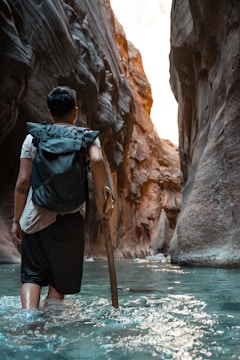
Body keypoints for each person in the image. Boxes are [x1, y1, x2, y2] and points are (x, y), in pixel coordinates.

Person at [11, 86, 111, 309]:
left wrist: (16, 220)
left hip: (35, 216)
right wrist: (102, 200)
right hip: (71, 218)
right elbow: (96, 161)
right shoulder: (87, 138)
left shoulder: (33, 138)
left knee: (31, 276)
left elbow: (23, 182)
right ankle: (52, 326)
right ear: (75, 112)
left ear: (50, 113)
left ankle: (28, 320)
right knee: (58, 284)